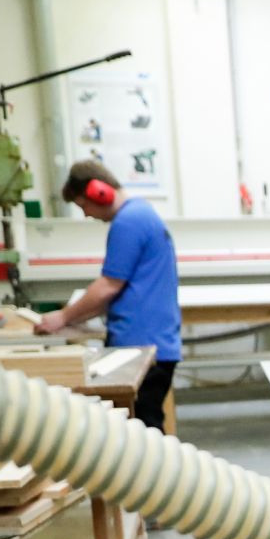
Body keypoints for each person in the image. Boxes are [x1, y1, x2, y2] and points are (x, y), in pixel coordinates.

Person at [34, 161, 181, 432]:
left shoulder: (128, 221)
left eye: (83, 206)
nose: (87, 214)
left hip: (141, 346)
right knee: (142, 431)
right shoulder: (141, 213)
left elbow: (109, 286)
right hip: (151, 342)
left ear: (99, 192)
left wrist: (63, 317)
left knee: (143, 433)